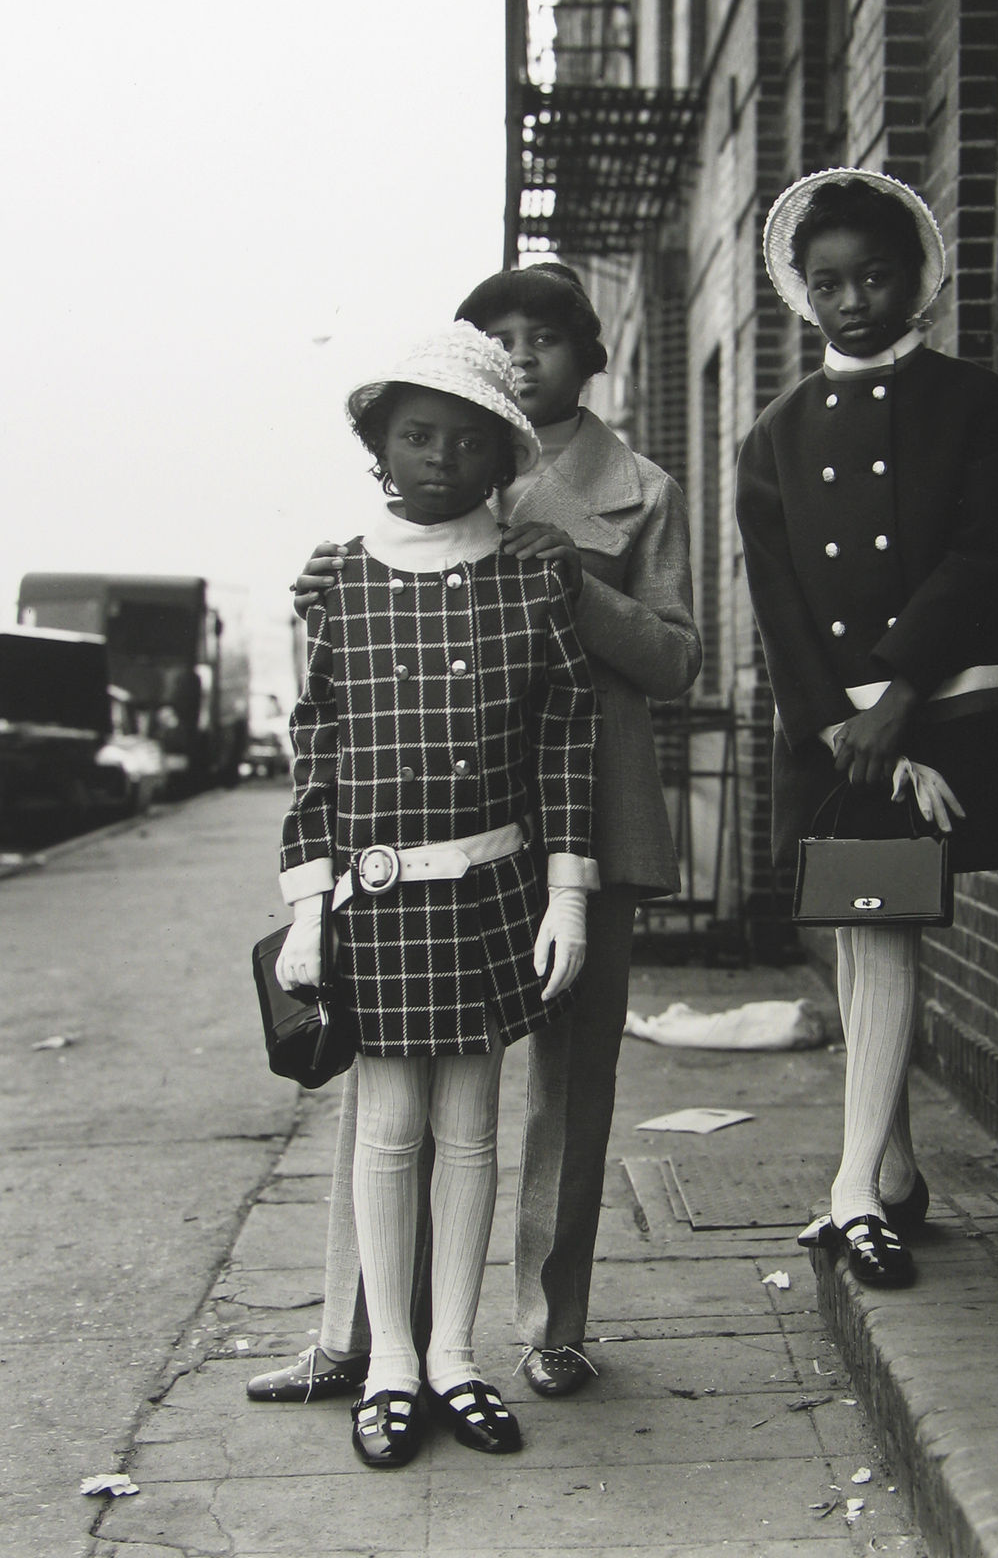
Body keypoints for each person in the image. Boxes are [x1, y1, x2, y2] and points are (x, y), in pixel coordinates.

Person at [248, 265, 700, 1405]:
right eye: (494, 333)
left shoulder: (637, 488)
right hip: (433, 830)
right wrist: (333, 580)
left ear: (590, 355)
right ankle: (359, 1337)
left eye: (544, 334)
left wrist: (573, 590)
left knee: (567, 1083)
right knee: (387, 1074)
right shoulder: (439, 457)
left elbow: (678, 659)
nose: (520, 351)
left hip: (588, 805)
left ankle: (550, 1324)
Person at [735, 169, 998, 1289]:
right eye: (826, 281)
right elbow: (779, 596)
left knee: (878, 919)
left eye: (873, 275)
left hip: (939, 704)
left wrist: (892, 698)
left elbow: (979, 559)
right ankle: (882, 1175)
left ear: (916, 277)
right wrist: (835, 721)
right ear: (801, 289)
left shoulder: (976, 403)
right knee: (865, 924)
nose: (850, 299)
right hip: (837, 726)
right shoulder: (772, 437)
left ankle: (854, 1188)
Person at [273, 322, 599, 1466]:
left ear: (500, 459)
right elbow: (313, 756)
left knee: (471, 1131)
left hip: (495, 894)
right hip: (376, 905)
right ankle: (395, 1363)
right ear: (378, 443)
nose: (439, 460)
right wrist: (307, 912)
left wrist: (570, 893)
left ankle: (458, 1355)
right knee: (389, 1132)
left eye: (467, 442)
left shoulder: (529, 575)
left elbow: (565, 737)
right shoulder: (341, 581)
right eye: (415, 435)